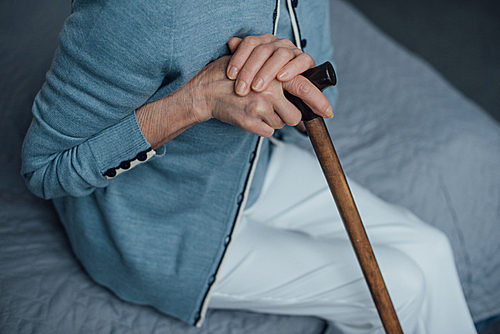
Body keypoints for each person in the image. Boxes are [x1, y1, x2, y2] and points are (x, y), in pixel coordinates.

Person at [21, 0, 477, 332]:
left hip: (248, 169)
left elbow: (319, 103)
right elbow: (45, 170)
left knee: (431, 249)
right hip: (152, 228)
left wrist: (285, 68)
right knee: (404, 284)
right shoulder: (137, 11)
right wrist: (193, 100)